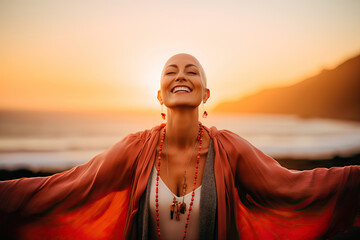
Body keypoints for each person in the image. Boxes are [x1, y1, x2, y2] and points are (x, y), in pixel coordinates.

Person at [0, 53, 359, 240]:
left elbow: (291, 187)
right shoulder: (133, 150)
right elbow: (69, 187)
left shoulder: (229, 149)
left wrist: (354, 180)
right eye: (171, 71)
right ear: (160, 94)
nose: (181, 75)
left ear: (205, 93)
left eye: (192, 71)